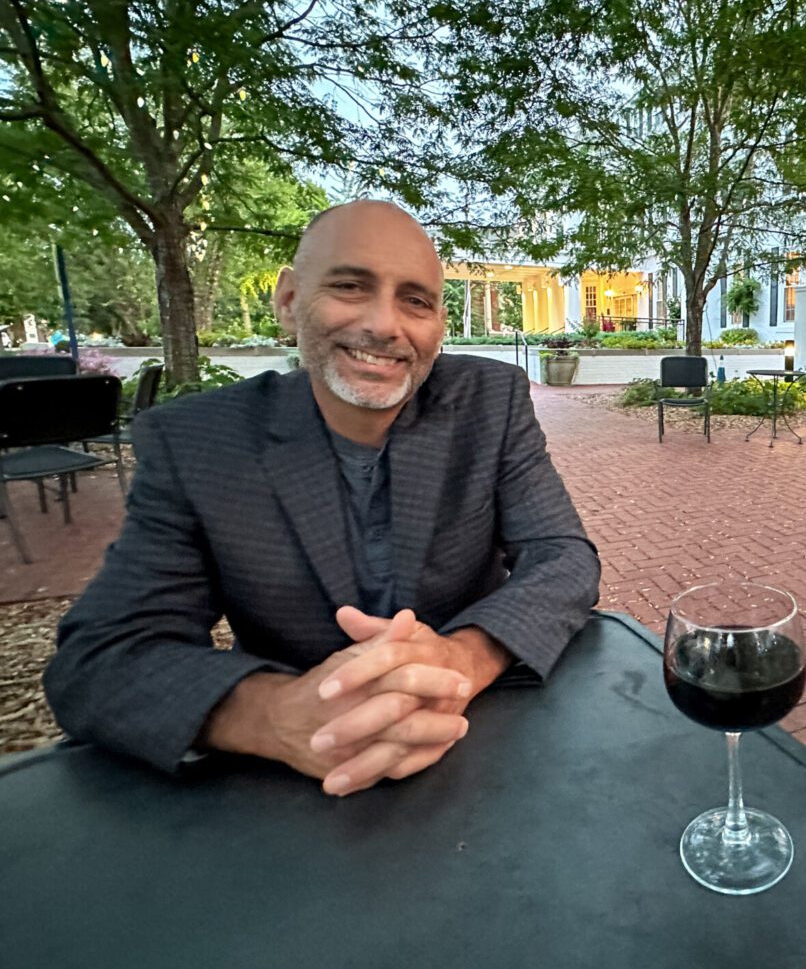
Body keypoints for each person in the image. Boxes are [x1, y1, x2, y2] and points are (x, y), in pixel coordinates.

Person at [44, 201, 600, 796]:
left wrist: (462, 658)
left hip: (483, 746)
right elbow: (100, 659)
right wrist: (276, 714)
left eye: (416, 300)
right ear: (288, 301)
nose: (386, 325)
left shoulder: (489, 402)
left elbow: (563, 557)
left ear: (439, 324)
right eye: (350, 286)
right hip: (291, 786)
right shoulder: (198, 443)